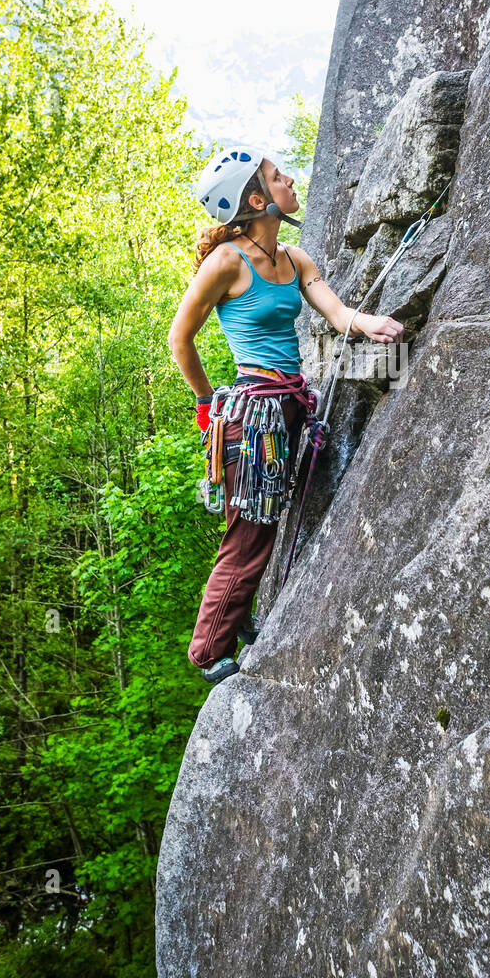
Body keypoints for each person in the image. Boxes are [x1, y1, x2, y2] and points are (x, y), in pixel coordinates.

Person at [167, 144, 403, 684]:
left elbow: (339, 313)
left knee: (264, 521)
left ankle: (238, 615)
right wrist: (208, 403)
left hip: (288, 407)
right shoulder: (226, 262)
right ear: (256, 198)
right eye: (278, 177)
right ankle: (207, 652)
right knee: (249, 533)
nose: (291, 180)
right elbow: (181, 339)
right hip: (253, 414)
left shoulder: (295, 259)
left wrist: (369, 323)